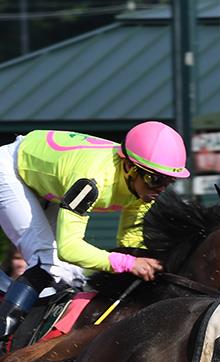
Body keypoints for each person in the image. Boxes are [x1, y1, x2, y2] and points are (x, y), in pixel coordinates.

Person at [0, 121, 190, 339]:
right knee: (49, 262)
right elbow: (69, 248)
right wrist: (128, 263)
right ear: (129, 167)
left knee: (72, 274)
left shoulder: (143, 189)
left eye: (169, 181)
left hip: (47, 182)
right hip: (11, 170)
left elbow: (130, 242)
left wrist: (146, 265)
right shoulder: (91, 181)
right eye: (155, 179)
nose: (160, 189)